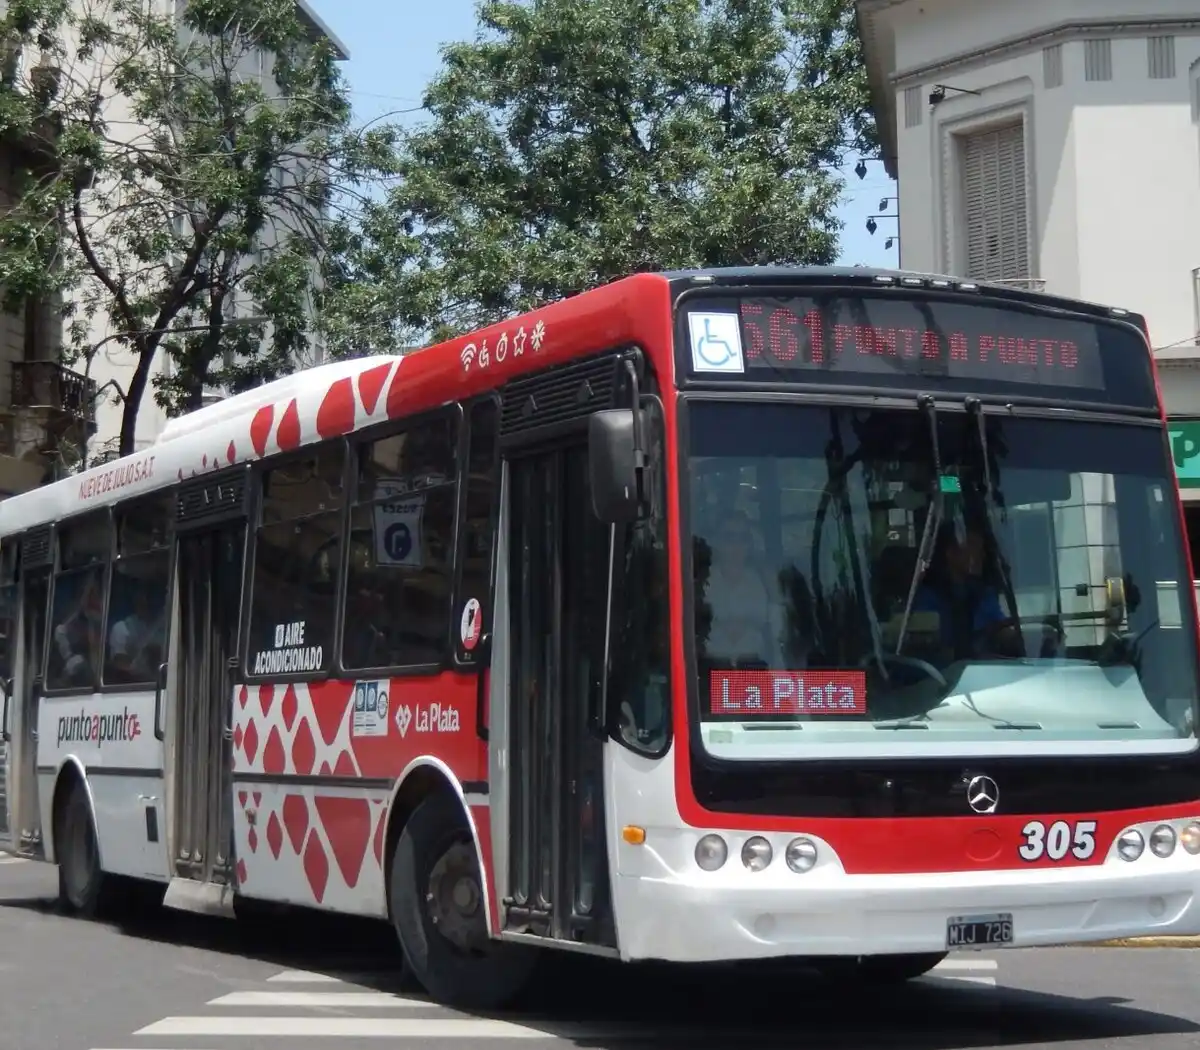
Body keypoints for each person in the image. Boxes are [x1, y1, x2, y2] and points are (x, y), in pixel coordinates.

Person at [912, 522, 1016, 660]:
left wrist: (1020, 636)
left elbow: (1001, 630)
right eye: (972, 546)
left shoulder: (983, 594)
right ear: (951, 553)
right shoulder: (928, 598)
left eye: (981, 548)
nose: (981, 555)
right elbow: (930, 646)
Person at [703, 510, 781, 663]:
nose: (736, 545)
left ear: (749, 544)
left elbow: (778, 633)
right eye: (729, 538)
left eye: (743, 538)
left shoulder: (763, 582)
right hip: (709, 672)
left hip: (754, 672)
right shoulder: (701, 582)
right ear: (717, 542)